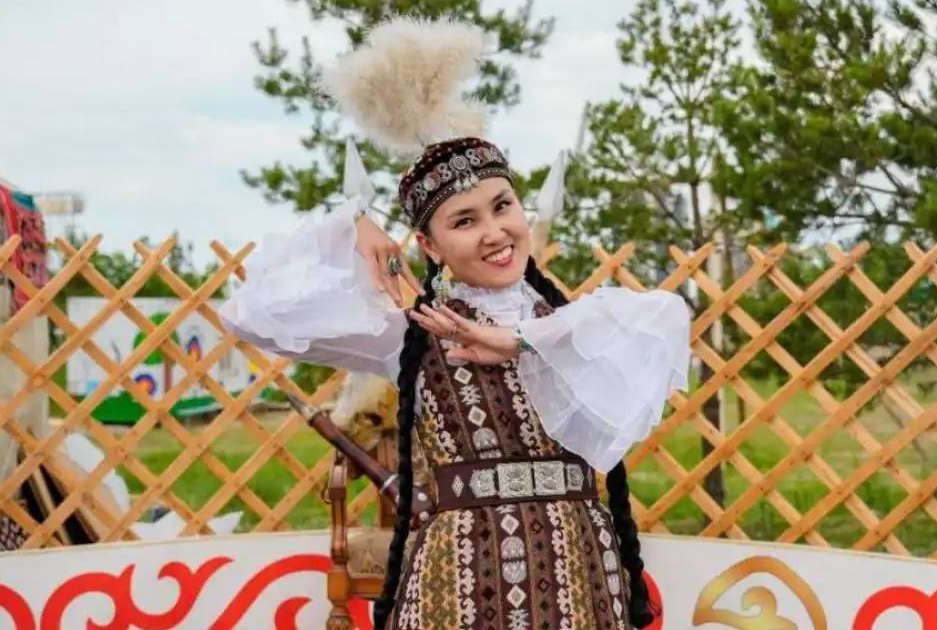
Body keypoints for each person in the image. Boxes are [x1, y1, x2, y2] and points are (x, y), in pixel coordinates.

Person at [219, 18, 691, 630]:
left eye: (502, 207)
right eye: (464, 221)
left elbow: (666, 320)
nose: (495, 232)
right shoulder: (412, 332)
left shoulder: (568, 324)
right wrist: (353, 226)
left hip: (576, 573)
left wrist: (519, 342)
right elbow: (251, 314)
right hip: (462, 580)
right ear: (430, 245)